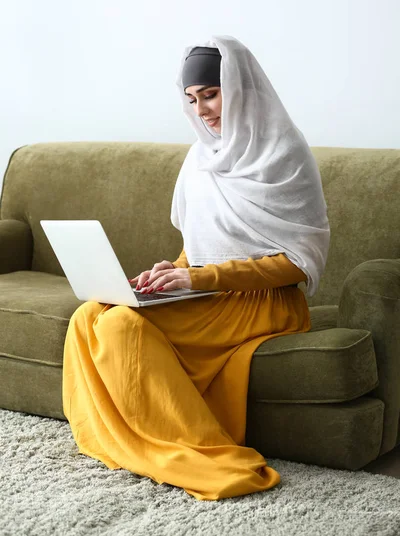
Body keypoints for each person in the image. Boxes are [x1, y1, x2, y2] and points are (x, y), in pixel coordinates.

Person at [62, 35, 330, 501]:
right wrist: (171, 271)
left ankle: (195, 453)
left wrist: (199, 278)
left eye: (210, 93)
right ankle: (122, 440)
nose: (202, 109)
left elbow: (295, 263)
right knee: (89, 314)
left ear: (240, 87)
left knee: (122, 327)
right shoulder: (201, 155)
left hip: (265, 303)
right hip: (208, 292)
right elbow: (200, 246)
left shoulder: (284, 152)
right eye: (192, 99)